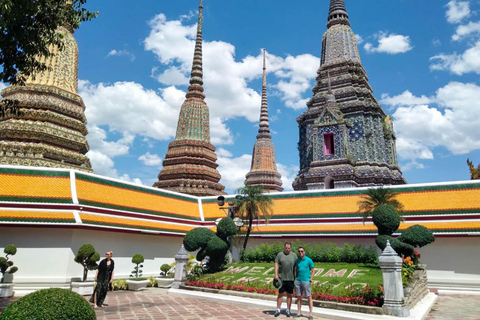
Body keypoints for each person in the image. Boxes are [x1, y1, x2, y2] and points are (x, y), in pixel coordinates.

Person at [274, 242, 297, 317]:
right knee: (280, 294)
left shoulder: (294, 255)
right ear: (284, 248)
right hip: (281, 278)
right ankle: (278, 309)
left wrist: (296, 276)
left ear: (290, 248)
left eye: (288, 248)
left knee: (289, 294)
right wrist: (276, 274)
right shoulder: (280, 255)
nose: (287, 249)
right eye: (286, 248)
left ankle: (288, 310)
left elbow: (296, 266)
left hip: (290, 278)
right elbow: (276, 263)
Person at [294, 247, 315, 319]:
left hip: (306, 280)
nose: (300, 252)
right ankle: (299, 312)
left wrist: (310, 280)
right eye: (299, 251)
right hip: (298, 280)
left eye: (302, 251)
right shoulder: (297, 260)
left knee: (309, 297)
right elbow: (296, 269)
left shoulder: (309, 260)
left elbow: (313, 270)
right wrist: (295, 279)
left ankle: (310, 313)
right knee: (299, 297)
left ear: (304, 252)